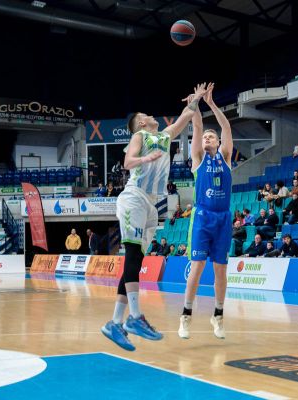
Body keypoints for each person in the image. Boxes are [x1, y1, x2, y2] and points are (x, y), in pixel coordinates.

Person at [100, 82, 207, 352]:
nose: (150, 116)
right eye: (145, 116)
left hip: (150, 204)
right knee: (132, 256)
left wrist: (196, 99)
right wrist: (147, 160)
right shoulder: (140, 136)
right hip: (134, 197)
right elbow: (128, 162)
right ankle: (135, 317)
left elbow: (185, 116)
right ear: (140, 123)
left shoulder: (165, 136)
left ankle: (115, 323)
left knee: (135, 261)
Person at [179, 82, 233, 340]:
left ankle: (218, 315)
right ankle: (186, 315)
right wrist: (197, 103)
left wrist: (211, 103)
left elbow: (226, 127)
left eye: (212, 137)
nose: (207, 138)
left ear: (219, 142)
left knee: (221, 270)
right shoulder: (198, 160)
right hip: (202, 218)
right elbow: (198, 126)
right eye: (205, 138)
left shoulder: (226, 157)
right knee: (197, 266)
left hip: (223, 219)